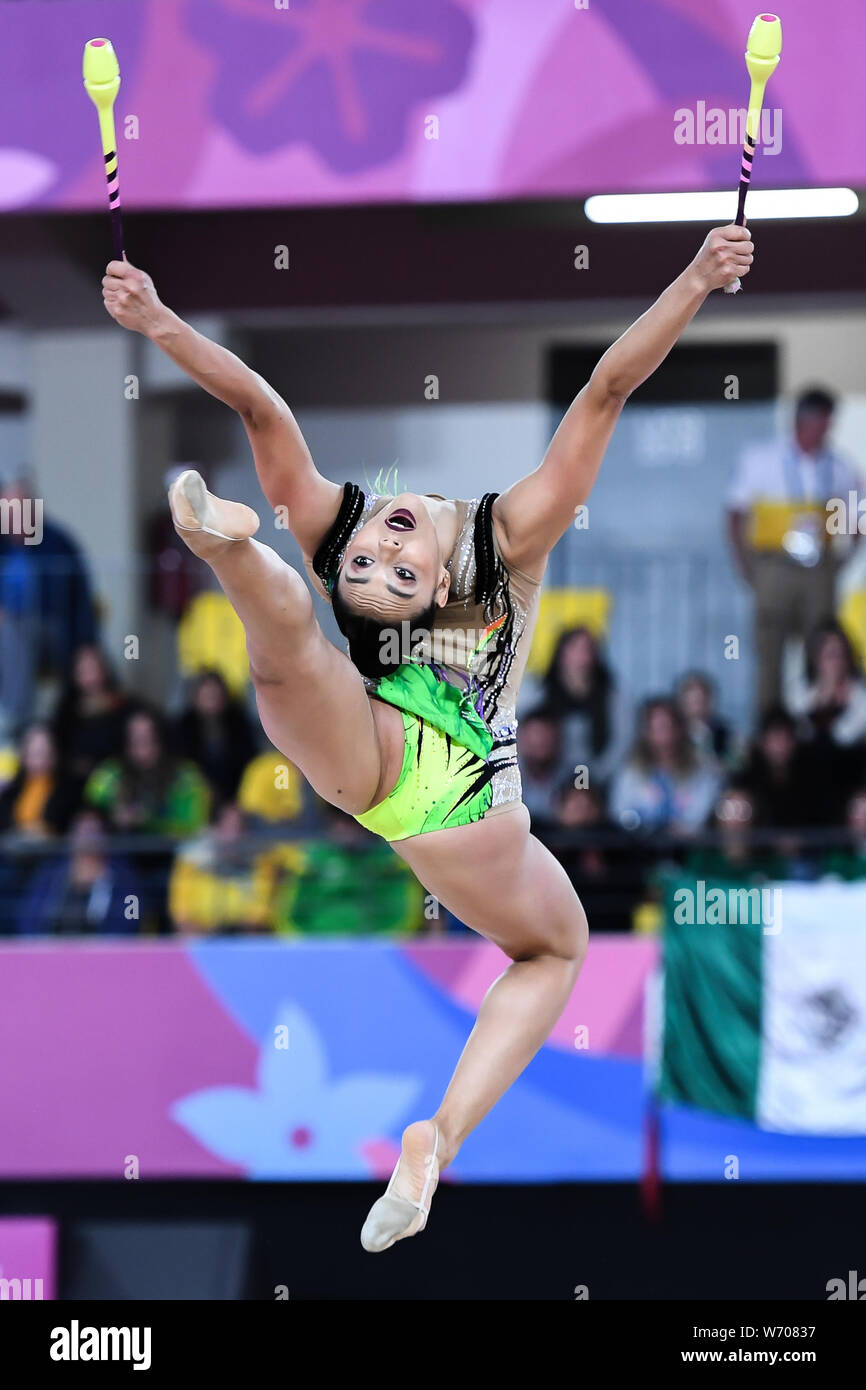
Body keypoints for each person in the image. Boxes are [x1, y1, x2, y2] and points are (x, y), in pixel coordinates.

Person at [101, 219, 754, 1252]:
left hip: (408, 776)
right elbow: (601, 394)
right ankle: (436, 1137)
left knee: (291, 666)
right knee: (547, 939)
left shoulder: (460, 533)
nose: (378, 553)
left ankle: (237, 557)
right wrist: (156, 321)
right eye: (364, 564)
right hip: (423, 790)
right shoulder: (485, 535)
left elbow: (269, 409)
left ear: (435, 582)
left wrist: (694, 279)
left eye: (386, 566)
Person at [726, 387, 859, 713]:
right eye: (822, 423)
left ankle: (818, 722)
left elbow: (858, 514)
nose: (827, 431)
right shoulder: (762, 459)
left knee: (822, 647)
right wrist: (746, 567)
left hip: (819, 567)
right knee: (770, 652)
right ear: (803, 420)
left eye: (830, 423)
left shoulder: (839, 466)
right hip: (775, 566)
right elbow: (735, 514)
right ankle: (771, 731)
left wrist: (842, 559)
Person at [0, 468, 98, 733]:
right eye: (7, 513)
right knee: (8, 632)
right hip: (8, 635)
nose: (12, 520)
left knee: (13, 634)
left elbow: (81, 600)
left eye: (17, 512)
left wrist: (87, 644)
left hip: (51, 630)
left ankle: (15, 723)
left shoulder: (58, 543)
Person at [16, 808, 142, 936]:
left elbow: (134, 916)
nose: (88, 839)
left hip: (103, 951)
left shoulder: (124, 878)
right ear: (72, 836)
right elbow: (28, 914)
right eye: (83, 831)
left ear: (105, 837)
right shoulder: (50, 874)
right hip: (53, 949)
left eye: (94, 832)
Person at [609, 697, 721, 837]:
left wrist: (681, 830)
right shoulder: (630, 771)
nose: (663, 735)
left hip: (688, 848)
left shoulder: (701, 771)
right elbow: (620, 810)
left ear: (680, 729)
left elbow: (701, 814)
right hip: (640, 847)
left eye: (667, 726)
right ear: (646, 732)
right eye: (656, 728)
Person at [539, 627, 629, 789]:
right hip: (550, 782)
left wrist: (595, 778)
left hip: (604, 780)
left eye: (588, 649)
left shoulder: (613, 697)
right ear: (562, 654)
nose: (583, 656)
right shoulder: (540, 695)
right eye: (576, 649)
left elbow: (621, 743)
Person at [172, 670, 258, 803]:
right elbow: (183, 767)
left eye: (215, 695)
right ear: (195, 697)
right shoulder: (183, 727)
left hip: (237, 797)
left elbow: (249, 764)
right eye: (207, 696)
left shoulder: (239, 723)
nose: (212, 701)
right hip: (196, 797)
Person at [51, 644, 130, 781]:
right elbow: (58, 745)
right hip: (73, 778)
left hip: (113, 776)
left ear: (105, 670)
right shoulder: (66, 708)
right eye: (84, 671)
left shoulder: (122, 705)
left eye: (93, 669)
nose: (90, 677)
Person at [675, 670, 731, 765]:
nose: (697, 708)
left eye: (701, 702)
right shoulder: (673, 735)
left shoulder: (724, 733)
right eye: (693, 702)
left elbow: (737, 765)